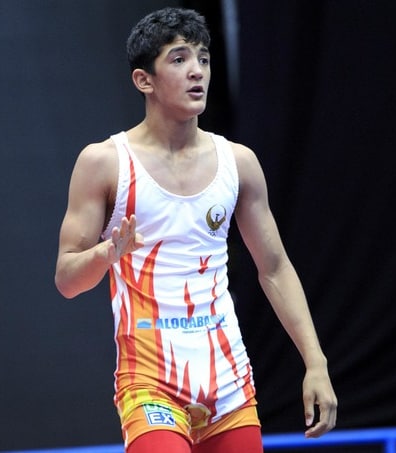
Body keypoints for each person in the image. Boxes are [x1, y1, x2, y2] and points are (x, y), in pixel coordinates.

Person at [55, 6, 337, 453]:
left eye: (203, 58)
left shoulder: (238, 162)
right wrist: (107, 254)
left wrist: (315, 362)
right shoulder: (105, 162)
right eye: (179, 59)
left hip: (228, 382)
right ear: (144, 80)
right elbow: (67, 280)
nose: (197, 71)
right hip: (149, 383)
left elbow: (275, 268)